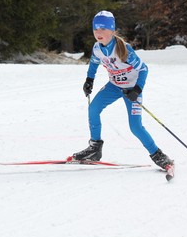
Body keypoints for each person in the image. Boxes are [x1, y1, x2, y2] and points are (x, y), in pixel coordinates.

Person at [72, 10, 173, 170]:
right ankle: (95, 148)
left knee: (135, 127)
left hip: (131, 89)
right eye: (95, 29)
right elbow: (93, 63)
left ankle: (159, 155)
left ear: (112, 30)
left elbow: (143, 69)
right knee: (93, 109)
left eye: (103, 29)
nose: (98, 33)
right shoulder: (98, 48)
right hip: (114, 86)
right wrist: (89, 80)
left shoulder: (122, 50)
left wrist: (137, 90)